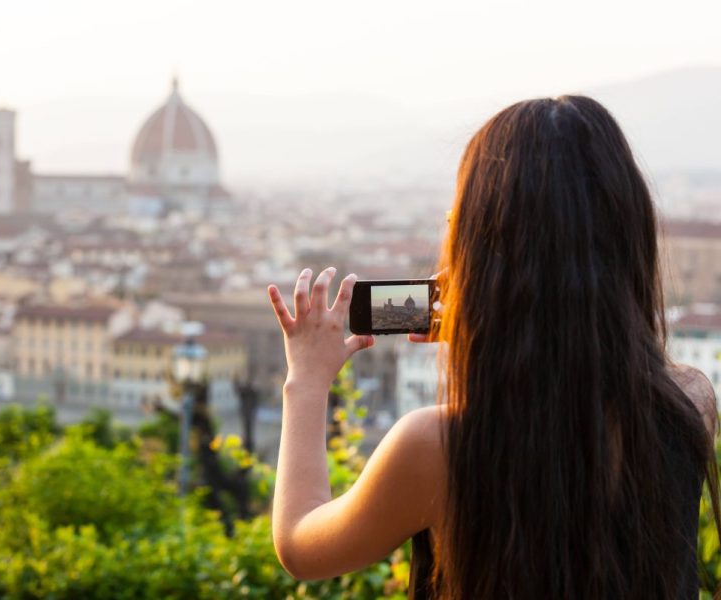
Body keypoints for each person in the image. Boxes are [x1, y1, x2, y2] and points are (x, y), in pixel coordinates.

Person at [266, 95, 720, 600]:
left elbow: (301, 543)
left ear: (474, 255)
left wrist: (305, 379)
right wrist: (491, 327)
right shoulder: (690, 405)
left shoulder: (436, 449)